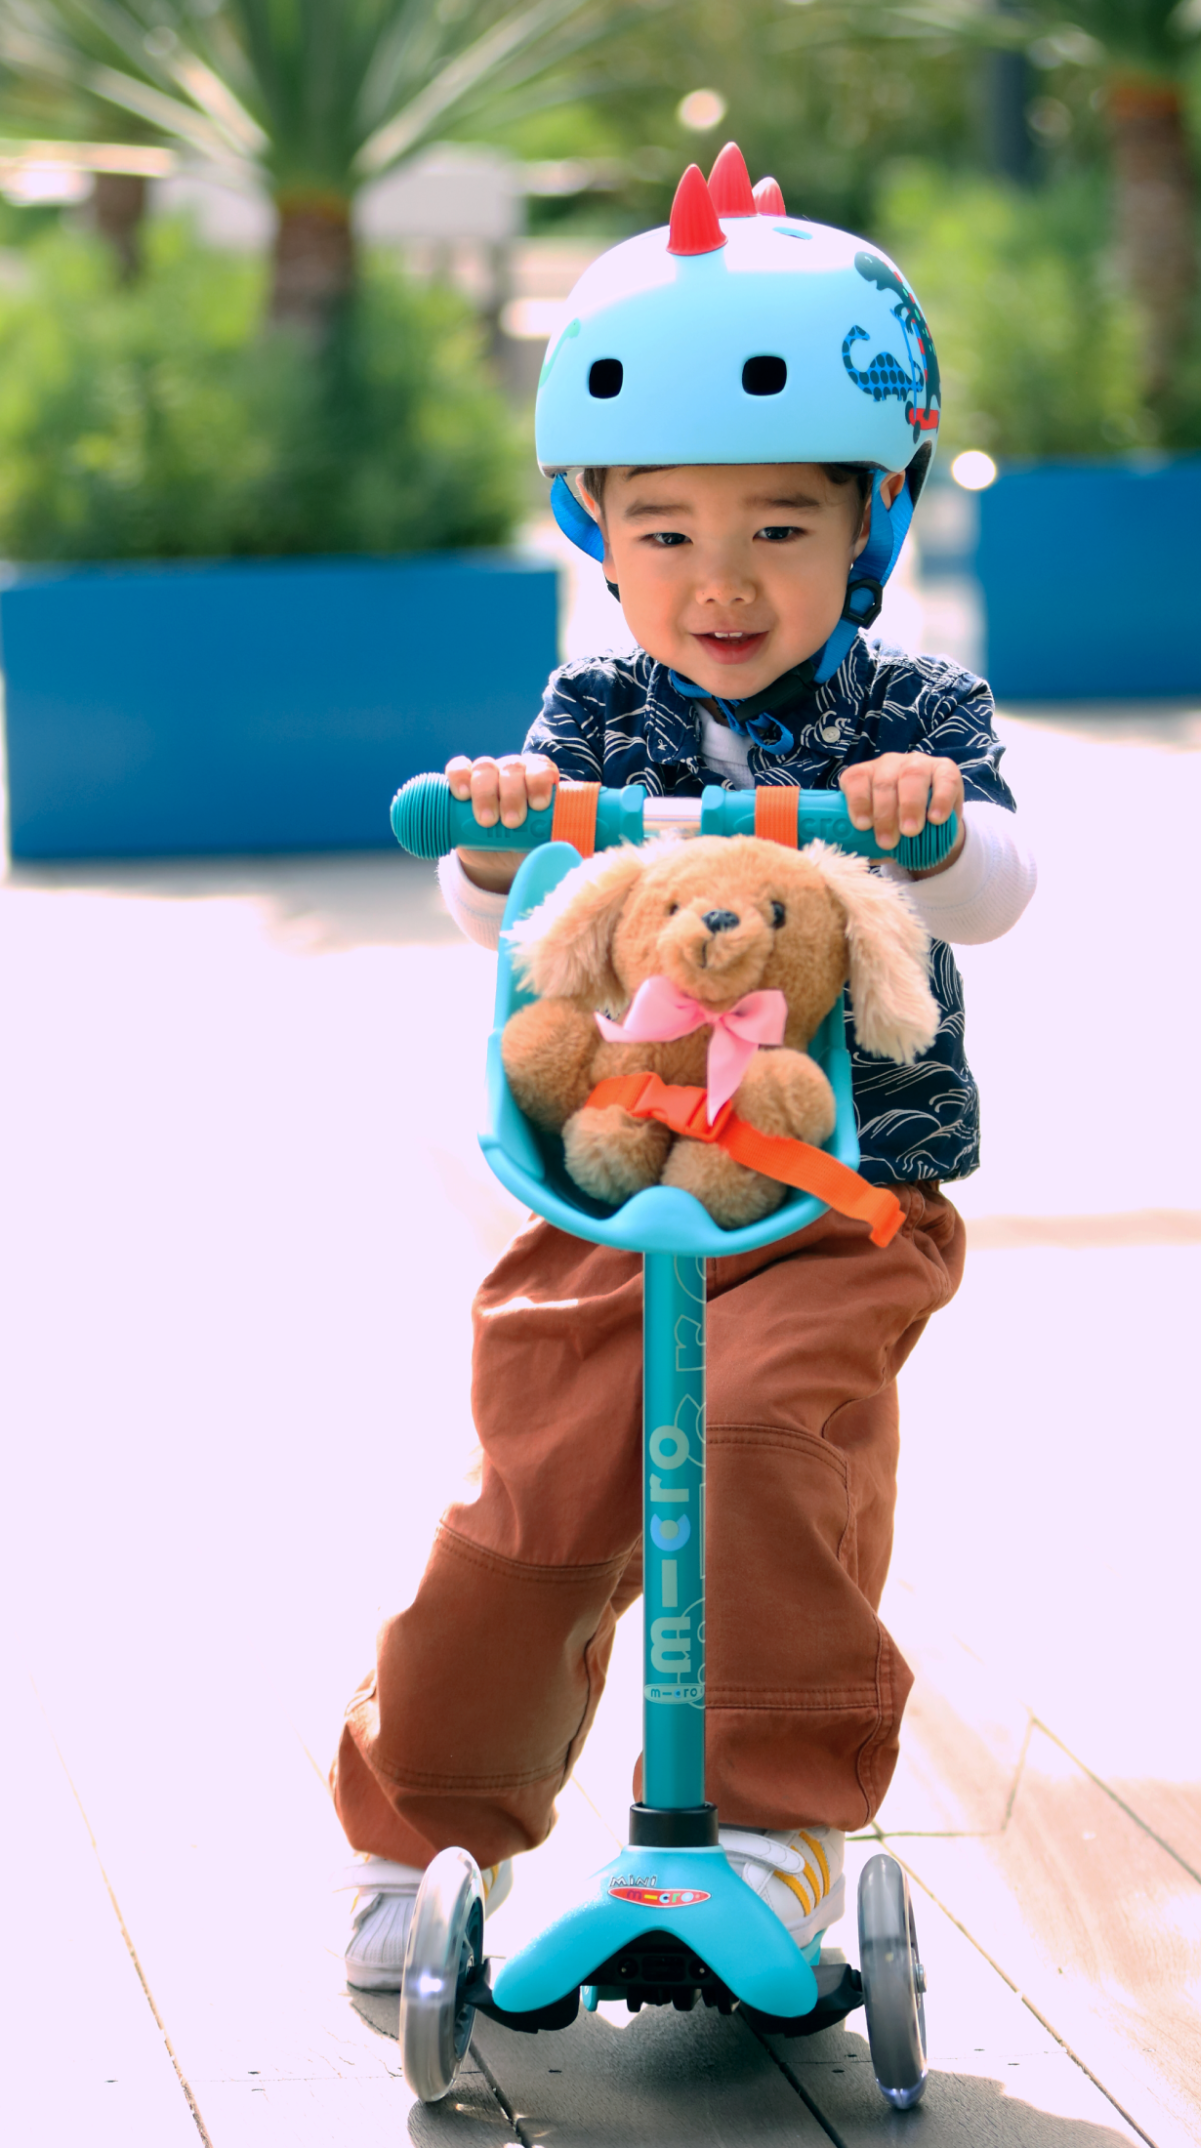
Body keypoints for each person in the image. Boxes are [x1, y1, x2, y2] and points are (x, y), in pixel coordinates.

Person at [333, 145, 1036, 1991]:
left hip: (834, 1199)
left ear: (871, 523)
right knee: (537, 1494)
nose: (720, 581)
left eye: (779, 530)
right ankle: (422, 1825)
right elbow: (500, 908)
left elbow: (998, 889)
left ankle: (771, 1825)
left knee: (761, 1442)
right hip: (608, 1186)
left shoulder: (915, 712)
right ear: (597, 529)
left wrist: (932, 825)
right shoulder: (593, 714)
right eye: (665, 533)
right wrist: (499, 833)